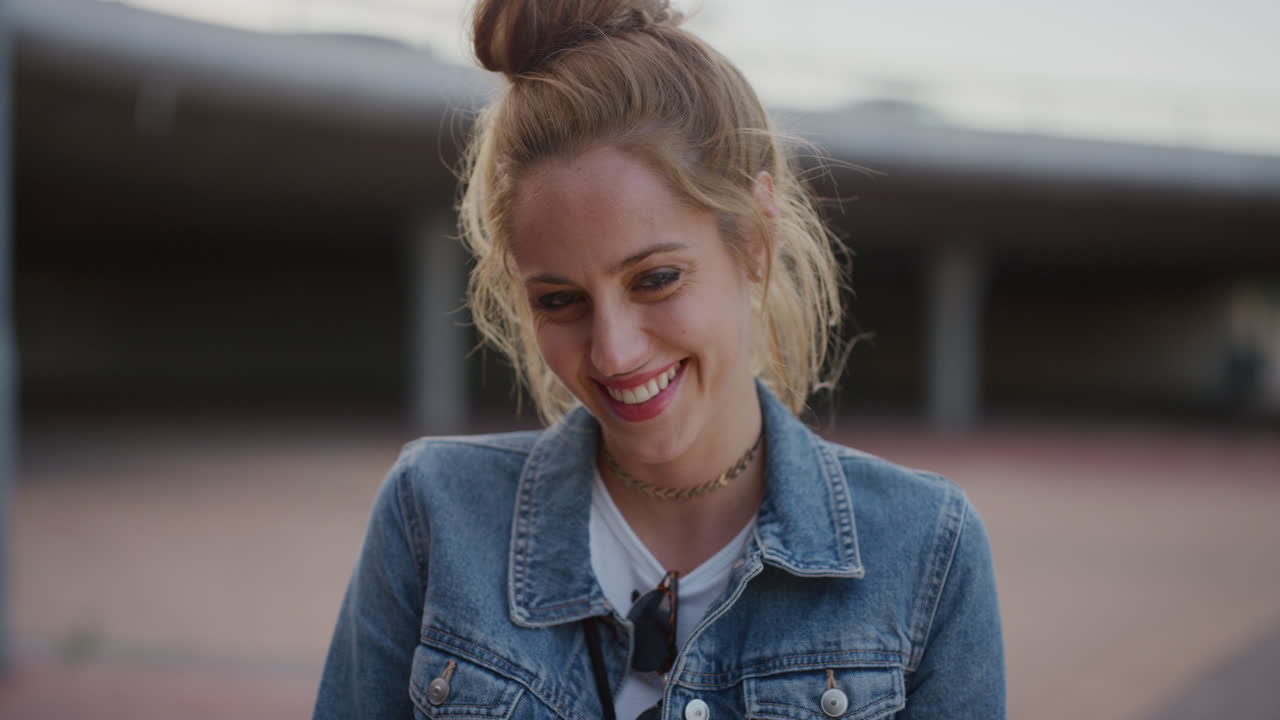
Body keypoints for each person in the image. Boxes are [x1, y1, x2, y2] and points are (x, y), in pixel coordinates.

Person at [314, 1, 1005, 718]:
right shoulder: (432, 517)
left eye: (655, 280)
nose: (613, 351)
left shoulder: (927, 550)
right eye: (560, 301)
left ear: (756, 236)